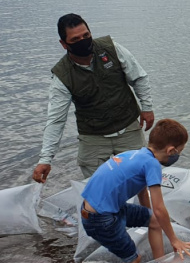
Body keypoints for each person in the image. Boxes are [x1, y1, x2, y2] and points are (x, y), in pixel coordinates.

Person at [80, 119, 190, 263]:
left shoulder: (136, 155)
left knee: (154, 221)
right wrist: (174, 239)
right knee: (132, 260)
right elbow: (159, 208)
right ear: (171, 150)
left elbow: (144, 195)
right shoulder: (152, 165)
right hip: (100, 219)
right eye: (179, 152)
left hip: (104, 209)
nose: (176, 155)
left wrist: (149, 217)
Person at [33, 13, 155, 182]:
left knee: (140, 179)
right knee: (96, 188)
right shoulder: (62, 75)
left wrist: (147, 108)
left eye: (86, 36)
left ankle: (144, 209)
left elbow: (138, 77)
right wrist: (45, 159)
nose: (83, 41)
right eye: (75, 40)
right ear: (64, 44)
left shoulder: (112, 48)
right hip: (93, 137)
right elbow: (56, 120)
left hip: (127, 127)